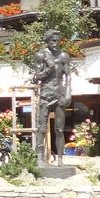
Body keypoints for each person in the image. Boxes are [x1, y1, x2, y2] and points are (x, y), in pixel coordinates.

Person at [31, 29, 73, 165]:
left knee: (59, 129)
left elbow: (68, 76)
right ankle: (39, 158)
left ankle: (60, 159)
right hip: (45, 95)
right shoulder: (40, 55)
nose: (56, 43)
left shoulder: (64, 56)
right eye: (53, 40)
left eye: (57, 40)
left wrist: (68, 94)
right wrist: (50, 67)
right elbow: (37, 77)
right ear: (47, 41)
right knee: (41, 128)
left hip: (60, 94)